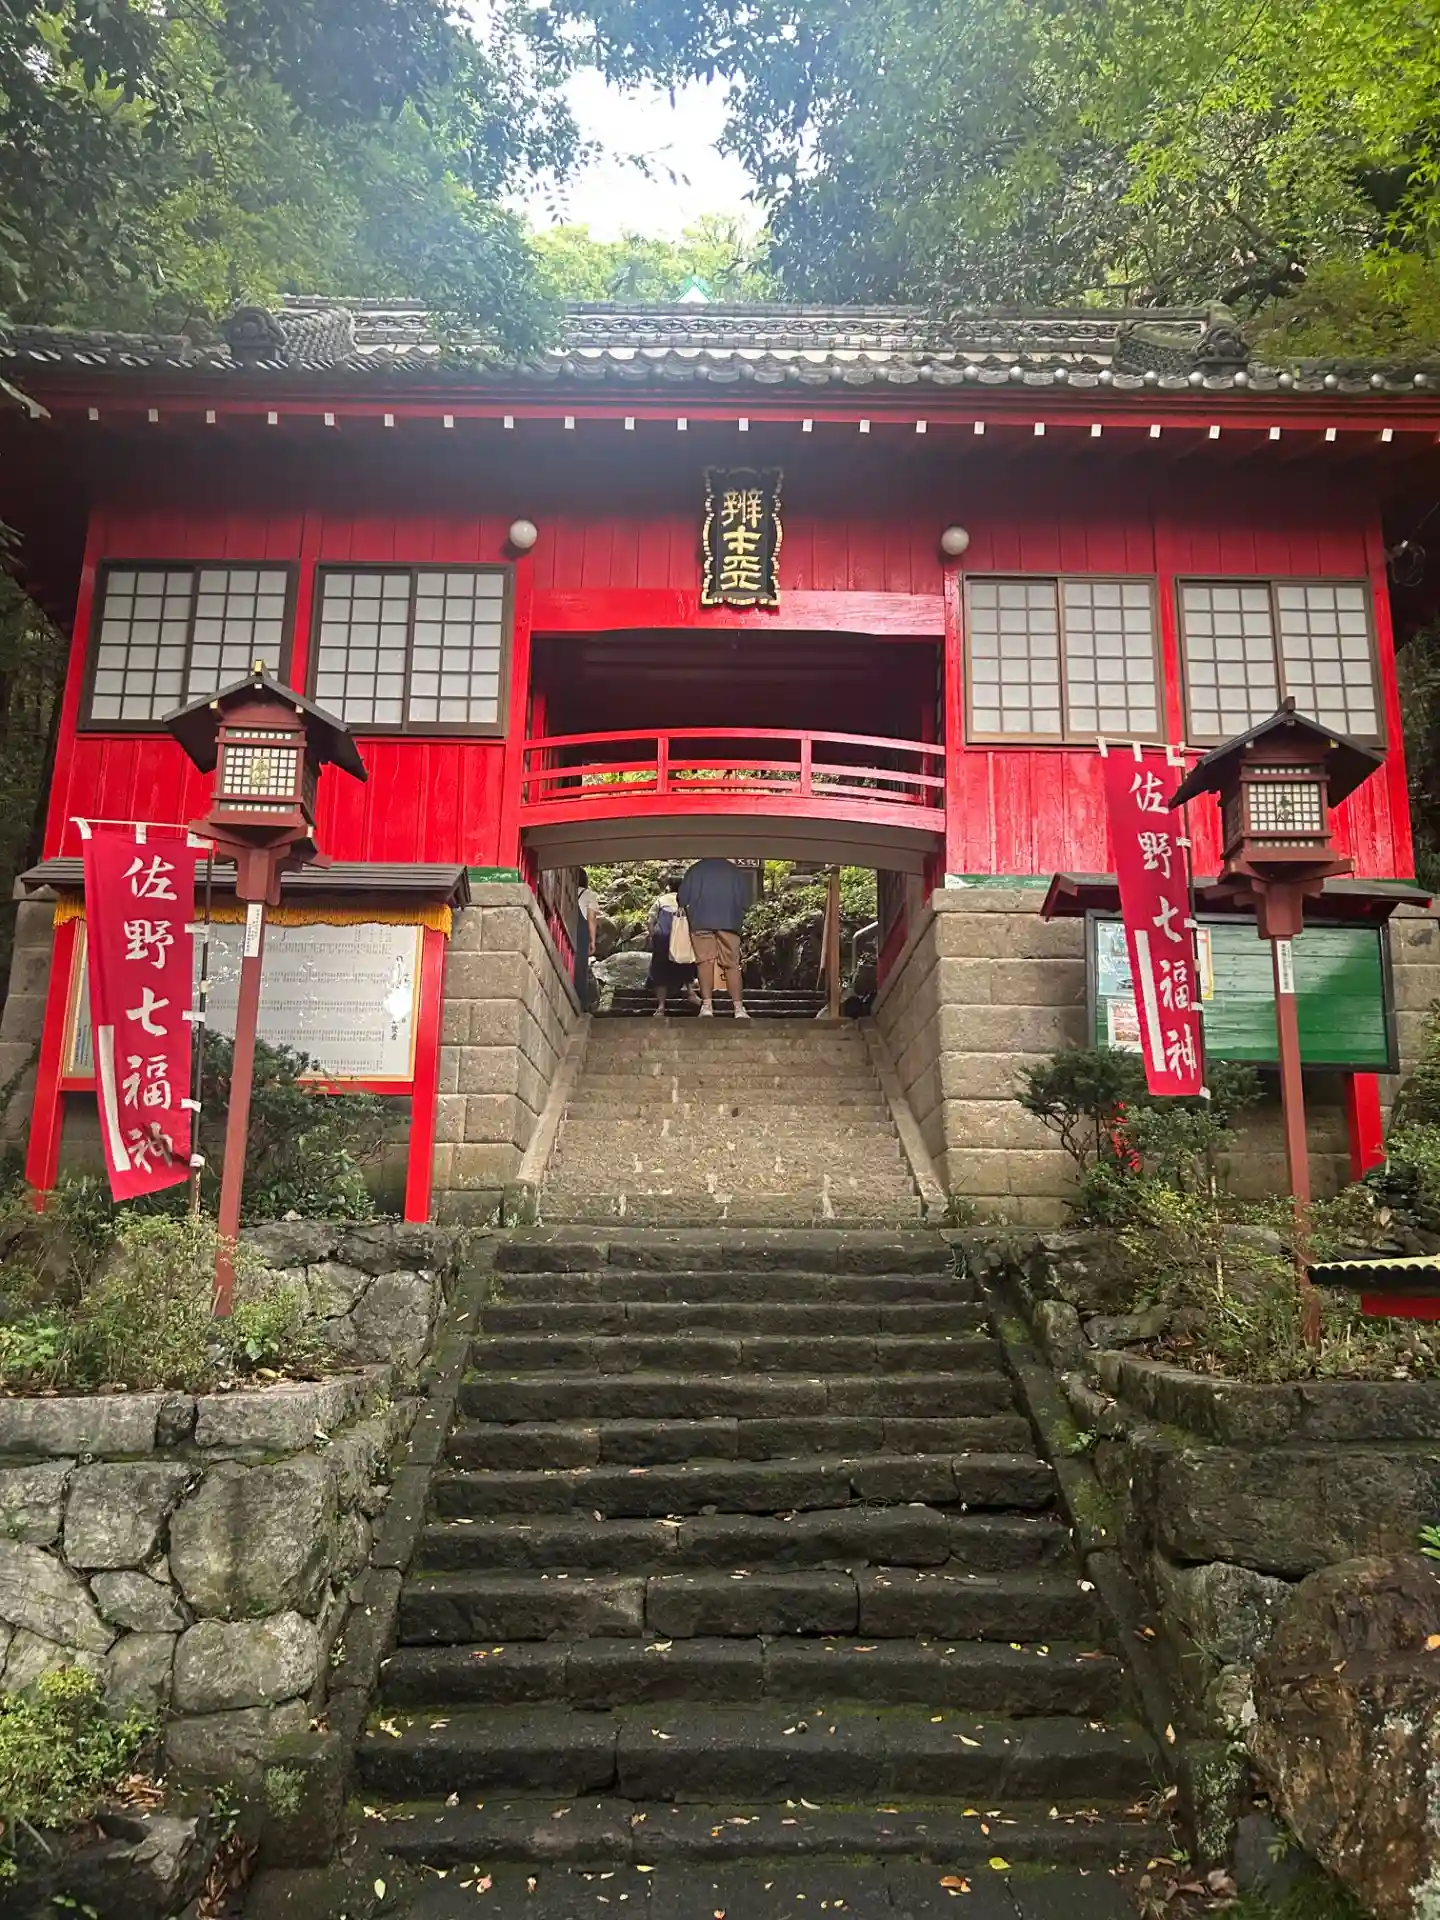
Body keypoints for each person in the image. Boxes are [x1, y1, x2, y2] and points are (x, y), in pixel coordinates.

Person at [677, 856, 751, 1019]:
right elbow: (746, 901)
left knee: (705, 963)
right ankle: (738, 1008)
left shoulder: (695, 869)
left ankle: (707, 1006)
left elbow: (682, 898)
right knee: (732, 965)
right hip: (729, 921)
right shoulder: (734, 870)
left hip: (700, 921)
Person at [646, 873, 699, 1017]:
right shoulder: (689, 901)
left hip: (663, 939)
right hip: (683, 940)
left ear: (669, 887)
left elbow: (650, 921)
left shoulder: (661, 900)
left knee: (660, 972)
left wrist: (653, 936)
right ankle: (690, 992)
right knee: (686, 965)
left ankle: (661, 1006)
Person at [574, 868, 601, 1011]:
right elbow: (591, 919)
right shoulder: (589, 894)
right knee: (580, 963)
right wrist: (592, 940)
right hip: (581, 931)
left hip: (569, 927)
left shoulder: (567, 892)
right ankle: (580, 999)